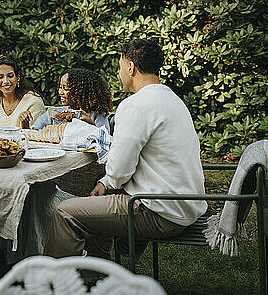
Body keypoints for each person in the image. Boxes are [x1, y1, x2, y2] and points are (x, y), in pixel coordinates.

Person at [44, 38, 207, 259]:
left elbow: (119, 172)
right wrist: (106, 182)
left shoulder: (135, 105)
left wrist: (109, 180)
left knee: (65, 213)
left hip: (158, 212)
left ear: (130, 67)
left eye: (120, 67)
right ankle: (99, 273)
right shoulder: (173, 100)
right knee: (96, 202)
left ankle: (56, 285)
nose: (120, 73)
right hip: (185, 205)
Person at [32, 68, 112, 132]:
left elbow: (106, 141)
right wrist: (25, 123)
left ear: (80, 90)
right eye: (60, 87)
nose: (60, 92)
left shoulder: (96, 115)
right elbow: (33, 132)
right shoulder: (56, 112)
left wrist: (91, 125)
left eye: (65, 88)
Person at [0, 55, 45, 129]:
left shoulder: (33, 102)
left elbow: (35, 136)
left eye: (10, 76)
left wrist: (25, 125)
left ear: (18, 77)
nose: (6, 81)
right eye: (0, 77)